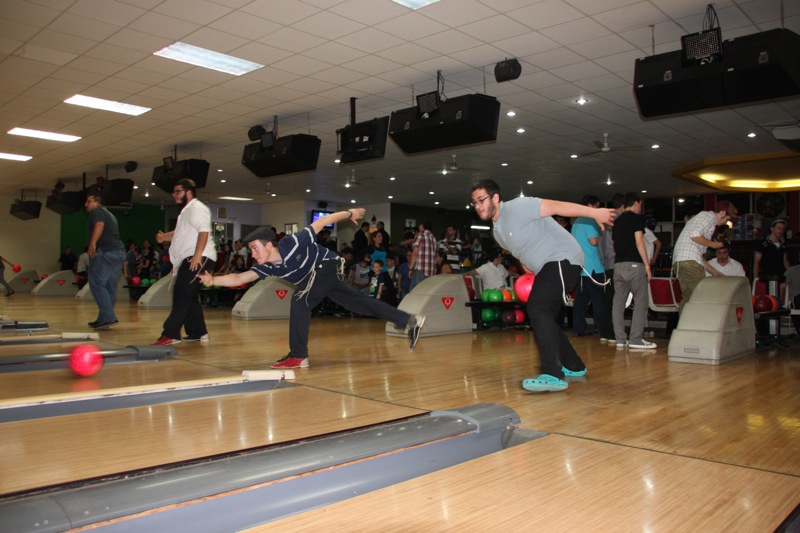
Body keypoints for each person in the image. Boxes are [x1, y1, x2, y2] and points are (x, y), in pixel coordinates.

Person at [197, 208, 425, 369]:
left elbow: (320, 223)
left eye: (255, 249)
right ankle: (409, 321)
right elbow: (238, 278)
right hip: (318, 279)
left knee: (300, 300)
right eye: (251, 251)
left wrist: (349, 214)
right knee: (360, 304)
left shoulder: (290, 243)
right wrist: (213, 280)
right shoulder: (268, 267)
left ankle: (298, 356)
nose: (253, 254)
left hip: (328, 266)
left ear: (269, 244)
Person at [470, 179, 615, 392]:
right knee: (543, 316)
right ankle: (574, 365)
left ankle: (552, 373)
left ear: (495, 198)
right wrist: (524, 263)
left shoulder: (519, 207)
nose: (478, 206)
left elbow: (556, 206)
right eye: (474, 202)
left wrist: (594, 213)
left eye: (481, 200)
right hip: (548, 266)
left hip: (564, 258)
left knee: (538, 309)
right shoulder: (498, 233)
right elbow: (520, 248)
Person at [152, 178, 217, 345]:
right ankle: (198, 332)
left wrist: (197, 255)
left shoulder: (197, 208)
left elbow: (204, 231)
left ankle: (171, 333)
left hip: (199, 257)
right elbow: (180, 232)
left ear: (188, 192)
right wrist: (164, 236)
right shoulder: (186, 211)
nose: (175, 195)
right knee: (189, 295)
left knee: (182, 293)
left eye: (178, 192)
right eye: (174, 192)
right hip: (191, 257)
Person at [672, 201, 737, 313]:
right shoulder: (707, 216)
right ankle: (703, 327)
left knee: (688, 298)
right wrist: (714, 245)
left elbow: (698, 254)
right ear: (722, 213)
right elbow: (695, 235)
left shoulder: (703, 219)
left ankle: (684, 327)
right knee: (703, 295)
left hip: (681, 262)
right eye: (727, 218)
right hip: (690, 263)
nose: (727, 221)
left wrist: (713, 271)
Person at [612, 192, 655, 350]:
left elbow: (614, 246)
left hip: (618, 266)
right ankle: (635, 338)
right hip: (634, 264)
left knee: (618, 303)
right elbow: (639, 242)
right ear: (636, 203)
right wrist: (647, 266)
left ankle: (620, 339)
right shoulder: (637, 219)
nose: (640, 208)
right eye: (640, 205)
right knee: (640, 302)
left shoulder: (616, 222)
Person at [84, 193, 126, 329]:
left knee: (96, 284)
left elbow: (100, 225)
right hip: (118, 253)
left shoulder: (98, 212)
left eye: (89, 201)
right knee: (108, 285)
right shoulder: (110, 214)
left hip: (105, 253)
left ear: (97, 203)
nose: (86, 204)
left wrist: (93, 243)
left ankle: (108, 317)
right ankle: (104, 318)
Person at [571, 194, 607, 337]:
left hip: (581, 267)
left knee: (581, 300)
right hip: (594, 267)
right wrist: (604, 240)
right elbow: (593, 241)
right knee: (598, 300)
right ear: (590, 206)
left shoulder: (576, 222)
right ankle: (601, 327)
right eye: (597, 206)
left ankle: (579, 328)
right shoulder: (590, 221)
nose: (598, 209)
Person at [597, 194, 625, 343]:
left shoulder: (604, 218)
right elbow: (612, 242)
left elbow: (601, 245)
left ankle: (605, 331)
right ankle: (612, 331)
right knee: (615, 298)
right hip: (616, 262)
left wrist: (604, 259)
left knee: (608, 298)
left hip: (607, 263)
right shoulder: (618, 219)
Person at [754, 218, 790, 302]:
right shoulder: (763, 244)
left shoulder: (783, 244)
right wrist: (755, 278)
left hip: (781, 275)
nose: (780, 231)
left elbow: (785, 261)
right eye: (778, 228)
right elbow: (756, 263)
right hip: (767, 276)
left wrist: (790, 273)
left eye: (782, 229)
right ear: (772, 228)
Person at [408, 221, 437, 292]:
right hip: (431, 272)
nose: (418, 227)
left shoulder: (420, 235)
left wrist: (411, 269)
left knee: (413, 294)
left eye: (419, 225)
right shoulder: (433, 238)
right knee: (425, 295)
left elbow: (415, 252)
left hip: (421, 270)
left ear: (422, 226)